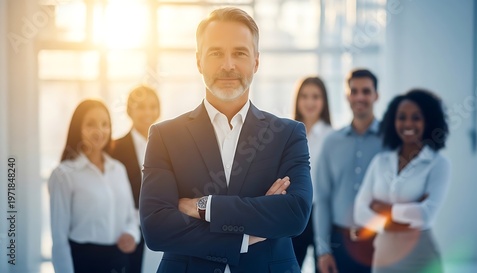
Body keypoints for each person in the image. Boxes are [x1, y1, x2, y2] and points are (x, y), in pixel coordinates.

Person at [139, 7, 312, 273]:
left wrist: (204, 207)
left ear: (256, 61)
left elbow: (295, 214)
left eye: (240, 53)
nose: (228, 65)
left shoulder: (288, 134)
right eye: (216, 53)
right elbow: (157, 228)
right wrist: (248, 234)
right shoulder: (165, 136)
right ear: (199, 61)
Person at [354, 89, 450, 273]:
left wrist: (384, 209)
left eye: (416, 118)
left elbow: (426, 215)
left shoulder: (438, 164)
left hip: (421, 257)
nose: (408, 123)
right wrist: (400, 219)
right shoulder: (380, 161)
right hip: (384, 254)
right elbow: (360, 211)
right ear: (393, 121)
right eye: (402, 117)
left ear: (428, 121)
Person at [48, 99, 140, 273]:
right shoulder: (64, 174)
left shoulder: (118, 169)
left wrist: (131, 235)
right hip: (84, 262)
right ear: (78, 128)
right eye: (91, 124)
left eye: (105, 124)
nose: (99, 131)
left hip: (120, 261)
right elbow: (59, 239)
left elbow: (130, 217)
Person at [314, 69, 382, 273]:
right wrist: (323, 251)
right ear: (347, 96)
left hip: (379, 242)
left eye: (366, 91)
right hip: (338, 244)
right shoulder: (331, 142)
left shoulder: (391, 141)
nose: (360, 97)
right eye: (354, 91)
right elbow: (323, 199)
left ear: (376, 96)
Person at [111, 85, 161, 273]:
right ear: (129, 110)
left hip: (161, 228)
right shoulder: (114, 148)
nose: (147, 112)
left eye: (152, 106)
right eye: (140, 107)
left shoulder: (169, 146)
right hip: (126, 229)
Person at [291, 76, 332, 272]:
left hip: (322, 213)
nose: (309, 102)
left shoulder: (332, 137)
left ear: (324, 101)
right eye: (304, 96)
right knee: (290, 266)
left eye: (315, 96)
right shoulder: (288, 134)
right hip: (295, 211)